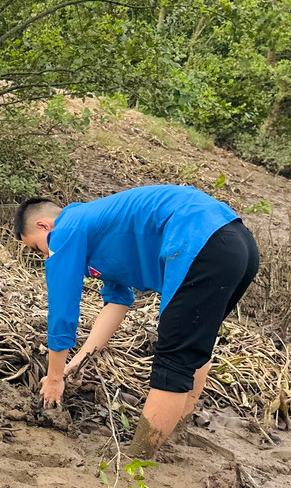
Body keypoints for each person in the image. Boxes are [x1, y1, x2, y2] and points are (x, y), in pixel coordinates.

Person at [14, 184, 259, 459]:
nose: (45, 256)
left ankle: (138, 460)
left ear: (44, 226)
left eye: (37, 248)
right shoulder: (98, 227)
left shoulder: (66, 230)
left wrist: (55, 378)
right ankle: (174, 429)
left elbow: (62, 312)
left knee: (174, 360)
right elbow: (117, 302)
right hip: (238, 245)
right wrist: (79, 359)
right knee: (193, 348)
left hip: (201, 239)